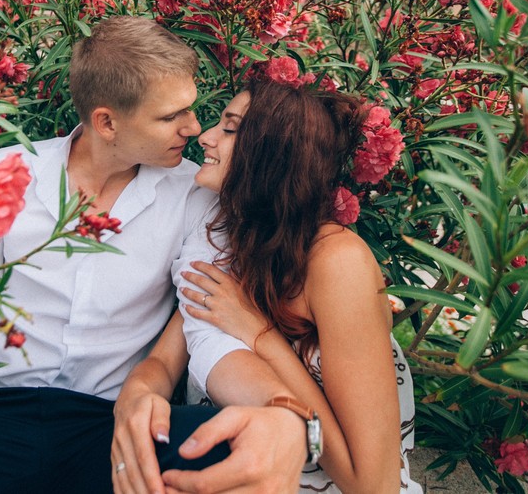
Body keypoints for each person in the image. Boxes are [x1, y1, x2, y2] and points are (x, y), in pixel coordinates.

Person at [0, 17, 308, 493]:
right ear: (106, 122)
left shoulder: (191, 196)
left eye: (191, 109)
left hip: (106, 425)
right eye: (171, 115)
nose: (194, 128)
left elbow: (206, 327)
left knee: (236, 451)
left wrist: (279, 410)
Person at [113, 77, 423, 494]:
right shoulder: (233, 241)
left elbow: (373, 484)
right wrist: (136, 397)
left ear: (273, 153)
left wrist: (260, 337)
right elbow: (166, 362)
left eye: (229, 127)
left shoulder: (337, 263)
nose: (204, 137)